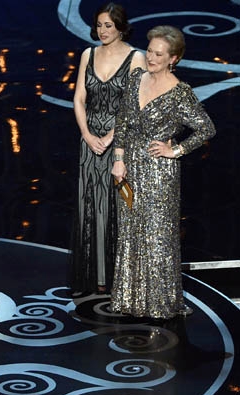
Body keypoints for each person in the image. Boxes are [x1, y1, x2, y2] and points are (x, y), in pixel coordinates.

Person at [110, 25, 216, 319]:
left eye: (158, 54)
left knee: (157, 236)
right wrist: (118, 159)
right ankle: (129, 299)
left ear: (174, 58)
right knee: (131, 232)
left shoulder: (180, 93)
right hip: (129, 168)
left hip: (160, 174)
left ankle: (159, 303)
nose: (151, 57)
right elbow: (124, 122)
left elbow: (206, 128)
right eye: (149, 51)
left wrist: (176, 150)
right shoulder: (135, 79)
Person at [69, 2, 146, 296]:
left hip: (120, 144)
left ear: (121, 27)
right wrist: (87, 135)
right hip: (90, 143)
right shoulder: (88, 54)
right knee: (91, 206)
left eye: (108, 26)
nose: (102, 31)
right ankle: (94, 274)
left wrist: (113, 135)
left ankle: (117, 276)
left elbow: (134, 105)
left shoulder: (136, 58)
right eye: (99, 25)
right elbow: (79, 99)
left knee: (116, 209)